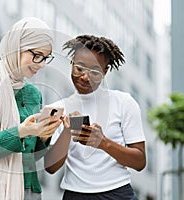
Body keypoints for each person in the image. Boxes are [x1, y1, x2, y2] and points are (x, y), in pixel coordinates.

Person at [0, 17, 61, 200]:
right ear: (17, 47)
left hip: (29, 189)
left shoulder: (33, 93)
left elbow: (31, 157)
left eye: (46, 58)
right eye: (37, 55)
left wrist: (44, 137)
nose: (42, 64)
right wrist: (21, 131)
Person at [44, 35, 146, 200]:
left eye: (95, 71)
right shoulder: (55, 109)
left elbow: (140, 161)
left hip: (118, 194)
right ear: (71, 64)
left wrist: (103, 143)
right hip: (75, 195)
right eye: (80, 68)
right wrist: (67, 131)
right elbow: (50, 167)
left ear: (105, 71)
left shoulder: (124, 102)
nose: (85, 77)